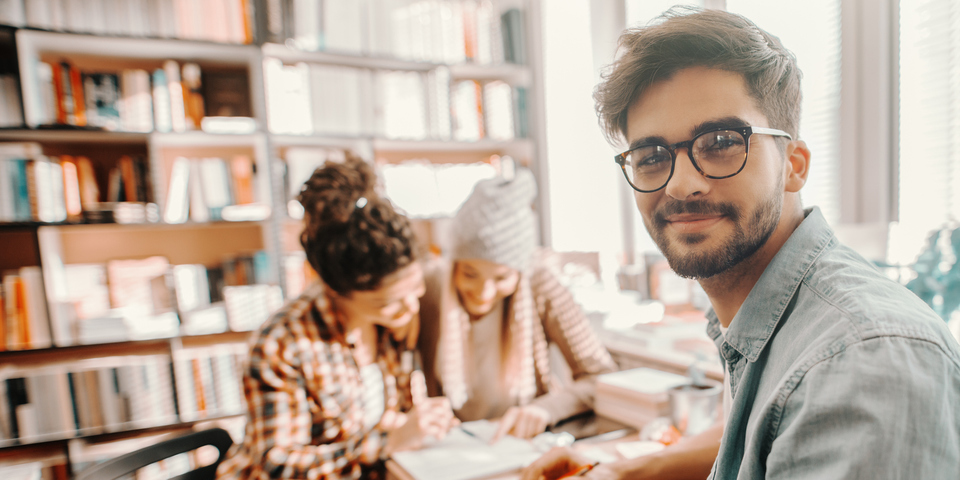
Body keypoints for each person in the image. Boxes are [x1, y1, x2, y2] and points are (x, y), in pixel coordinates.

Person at [522, 6, 960, 480]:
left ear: (793, 165)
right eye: (650, 156)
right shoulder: (770, 325)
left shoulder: (861, 360)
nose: (680, 185)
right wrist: (621, 472)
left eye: (720, 142)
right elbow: (761, 431)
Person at [217, 154, 458, 480]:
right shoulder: (283, 344)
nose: (411, 308)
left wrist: (410, 424)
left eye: (416, 289)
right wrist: (386, 441)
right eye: (387, 303)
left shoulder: (393, 326)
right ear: (337, 291)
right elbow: (277, 465)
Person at [417, 167, 618, 440]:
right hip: (451, 443)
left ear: (520, 272)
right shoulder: (431, 288)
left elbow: (602, 376)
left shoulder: (540, 286)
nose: (484, 292)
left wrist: (546, 409)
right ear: (453, 265)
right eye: (469, 274)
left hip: (525, 441)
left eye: (501, 278)